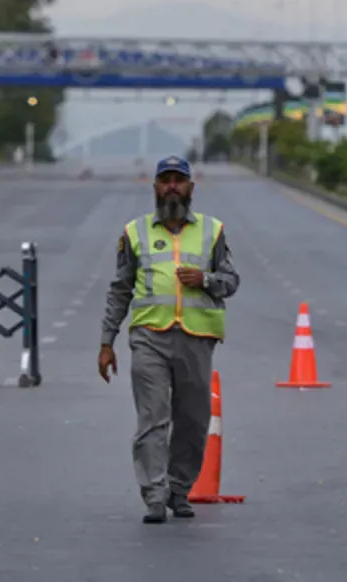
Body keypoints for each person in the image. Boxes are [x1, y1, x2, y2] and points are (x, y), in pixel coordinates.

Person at [98, 155, 240, 524]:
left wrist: (205, 280)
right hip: (150, 338)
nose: (172, 186)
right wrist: (106, 341)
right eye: (166, 180)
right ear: (156, 188)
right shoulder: (135, 232)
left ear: (191, 188)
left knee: (193, 420)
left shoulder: (213, 230)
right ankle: (155, 496)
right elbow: (120, 290)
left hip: (196, 339)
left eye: (179, 180)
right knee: (153, 418)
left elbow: (231, 281)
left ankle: (180, 489)